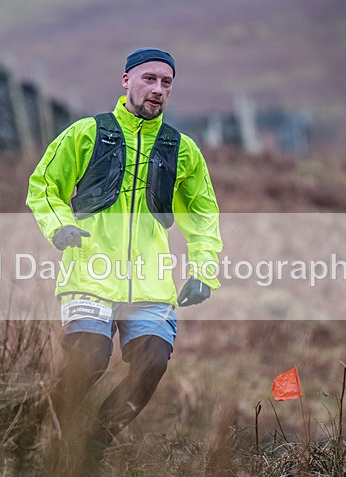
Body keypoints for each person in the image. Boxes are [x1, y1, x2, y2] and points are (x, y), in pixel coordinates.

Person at [26, 47, 223, 447]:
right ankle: (39, 432)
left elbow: (203, 218)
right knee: (90, 359)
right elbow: (43, 186)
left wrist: (204, 272)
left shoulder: (181, 149)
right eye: (149, 79)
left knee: (152, 361)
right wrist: (60, 225)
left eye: (166, 83)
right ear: (126, 80)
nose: (157, 89)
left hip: (150, 285)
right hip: (89, 274)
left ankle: (93, 444)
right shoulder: (86, 133)